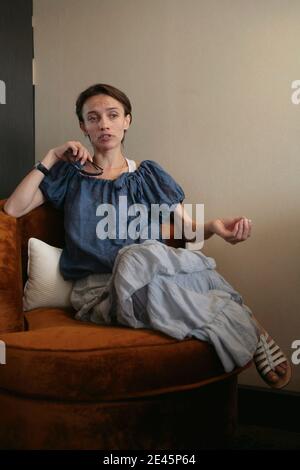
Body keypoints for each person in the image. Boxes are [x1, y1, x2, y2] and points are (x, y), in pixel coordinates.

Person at [4, 83, 292, 389]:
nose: (104, 123)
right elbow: (13, 208)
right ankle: (248, 325)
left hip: (157, 277)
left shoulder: (149, 175)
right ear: (83, 127)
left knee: (155, 258)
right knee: (134, 255)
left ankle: (246, 324)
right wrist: (50, 157)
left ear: (127, 121)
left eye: (113, 115)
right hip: (101, 293)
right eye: (94, 117)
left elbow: (186, 228)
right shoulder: (69, 175)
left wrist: (215, 228)